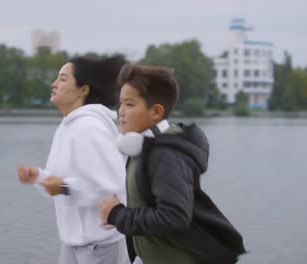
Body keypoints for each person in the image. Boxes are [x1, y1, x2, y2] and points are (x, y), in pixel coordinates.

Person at [100, 64, 246, 264]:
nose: (121, 112)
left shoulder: (164, 155)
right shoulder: (142, 147)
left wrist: (119, 216)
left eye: (129, 104)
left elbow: (174, 216)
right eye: (121, 104)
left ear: (156, 112)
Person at [18, 55, 130, 264]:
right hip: (74, 245)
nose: (54, 84)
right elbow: (63, 181)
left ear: (83, 90)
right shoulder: (68, 126)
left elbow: (112, 187)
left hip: (101, 246)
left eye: (62, 79)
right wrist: (39, 177)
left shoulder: (89, 128)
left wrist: (63, 186)